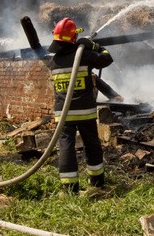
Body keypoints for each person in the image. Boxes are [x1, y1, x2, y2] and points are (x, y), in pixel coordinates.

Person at [45, 17, 113, 194]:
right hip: (85, 112)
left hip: (63, 113)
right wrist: (94, 46)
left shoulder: (53, 62)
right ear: (73, 37)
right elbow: (107, 59)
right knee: (91, 145)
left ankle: (69, 188)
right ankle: (97, 183)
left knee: (66, 147)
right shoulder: (84, 55)